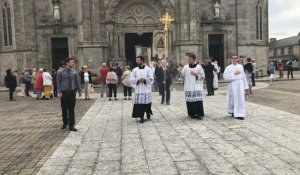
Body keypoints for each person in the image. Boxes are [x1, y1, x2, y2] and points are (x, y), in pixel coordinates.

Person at [57, 58, 82, 131]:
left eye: (73, 62)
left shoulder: (74, 71)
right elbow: (58, 82)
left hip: (72, 92)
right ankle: (65, 122)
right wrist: (59, 92)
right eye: (72, 62)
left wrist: (79, 91)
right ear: (67, 63)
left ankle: (72, 125)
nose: (73, 63)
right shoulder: (60, 71)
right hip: (64, 92)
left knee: (71, 109)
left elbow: (77, 81)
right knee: (64, 108)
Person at [223, 55, 249, 120]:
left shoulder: (240, 67)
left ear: (237, 59)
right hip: (232, 84)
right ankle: (233, 111)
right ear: (231, 59)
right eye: (233, 58)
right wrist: (233, 73)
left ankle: (240, 114)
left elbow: (243, 76)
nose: (234, 59)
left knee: (240, 98)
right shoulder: (228, 67)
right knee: (233, 98)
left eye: (235, 58)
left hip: (240, 84)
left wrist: (246, 86)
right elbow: (225, 77)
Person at [181, 54, 205, 120]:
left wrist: (196, 74)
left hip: (197, 86)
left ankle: (199, 114)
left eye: (190, 59)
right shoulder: (185, 67)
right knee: (190, 101)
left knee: (197, 101)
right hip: (188, 86)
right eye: (188, 59)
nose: (188, 60)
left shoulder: (199, 67)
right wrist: (180, 71)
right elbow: (182, 75)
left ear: (194, 59)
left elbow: (203, 76)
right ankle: (192, 113)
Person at [131, 56, 154, 123]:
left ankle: (147, 112)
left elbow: (151, 78)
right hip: (139, 89)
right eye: (136, 60)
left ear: (142, 61)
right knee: (140, 104)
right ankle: (141, 117)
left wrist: (144, 80)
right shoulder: (134, 70)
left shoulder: (148, 69)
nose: (137, 61)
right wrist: (137, 80)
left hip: (146, 89)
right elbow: (132, 78)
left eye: (138, 60)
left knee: (147, 103)